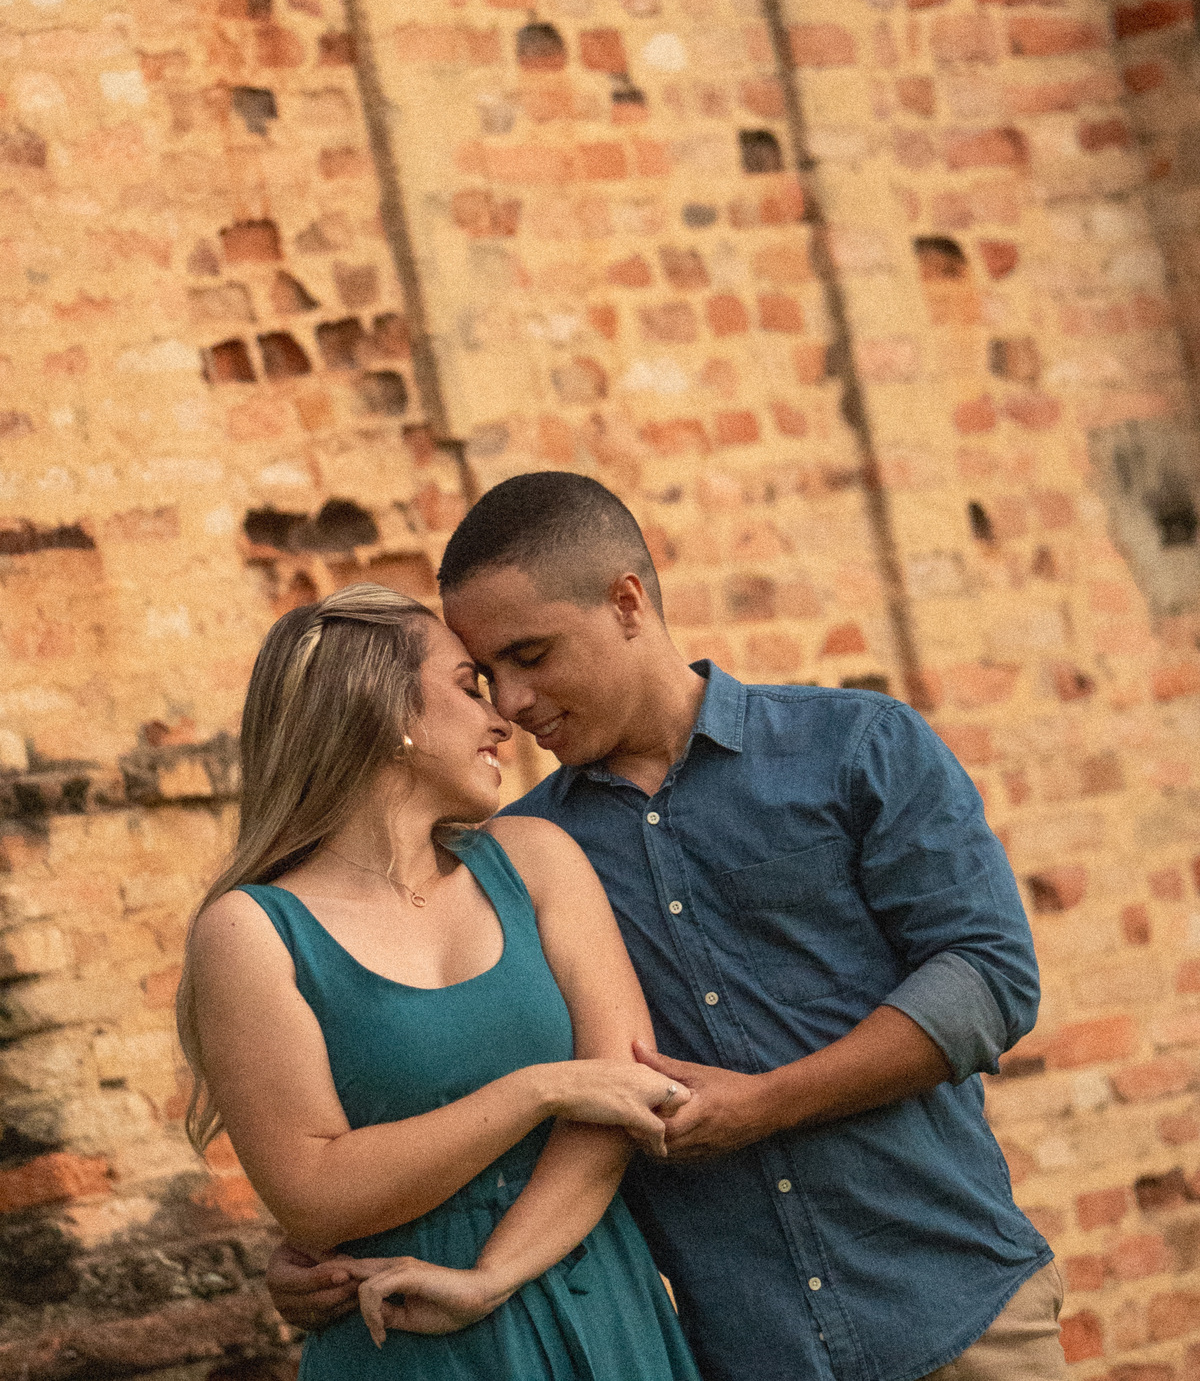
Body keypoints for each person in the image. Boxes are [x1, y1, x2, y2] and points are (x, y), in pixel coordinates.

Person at [268, 474, 1065, 1381]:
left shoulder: (856, 746)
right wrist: (323, 1251)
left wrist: (768, 1100)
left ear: (627, 603)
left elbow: (988, 977)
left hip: (956, 1311)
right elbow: (459, 1075)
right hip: (744, 1352)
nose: (513, 701)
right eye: (489, 675)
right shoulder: (521, 859)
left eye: (532, 654)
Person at [178, 581, 704, 1379]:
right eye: (468, 686)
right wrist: (539, 1089)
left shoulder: (538, 859)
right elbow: (312, 1194)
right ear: (386, 710)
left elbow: (623, 1098)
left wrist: (490, 1277)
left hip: (593, 1295)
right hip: (403, 1328)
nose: (502, 718)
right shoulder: (249, 931)